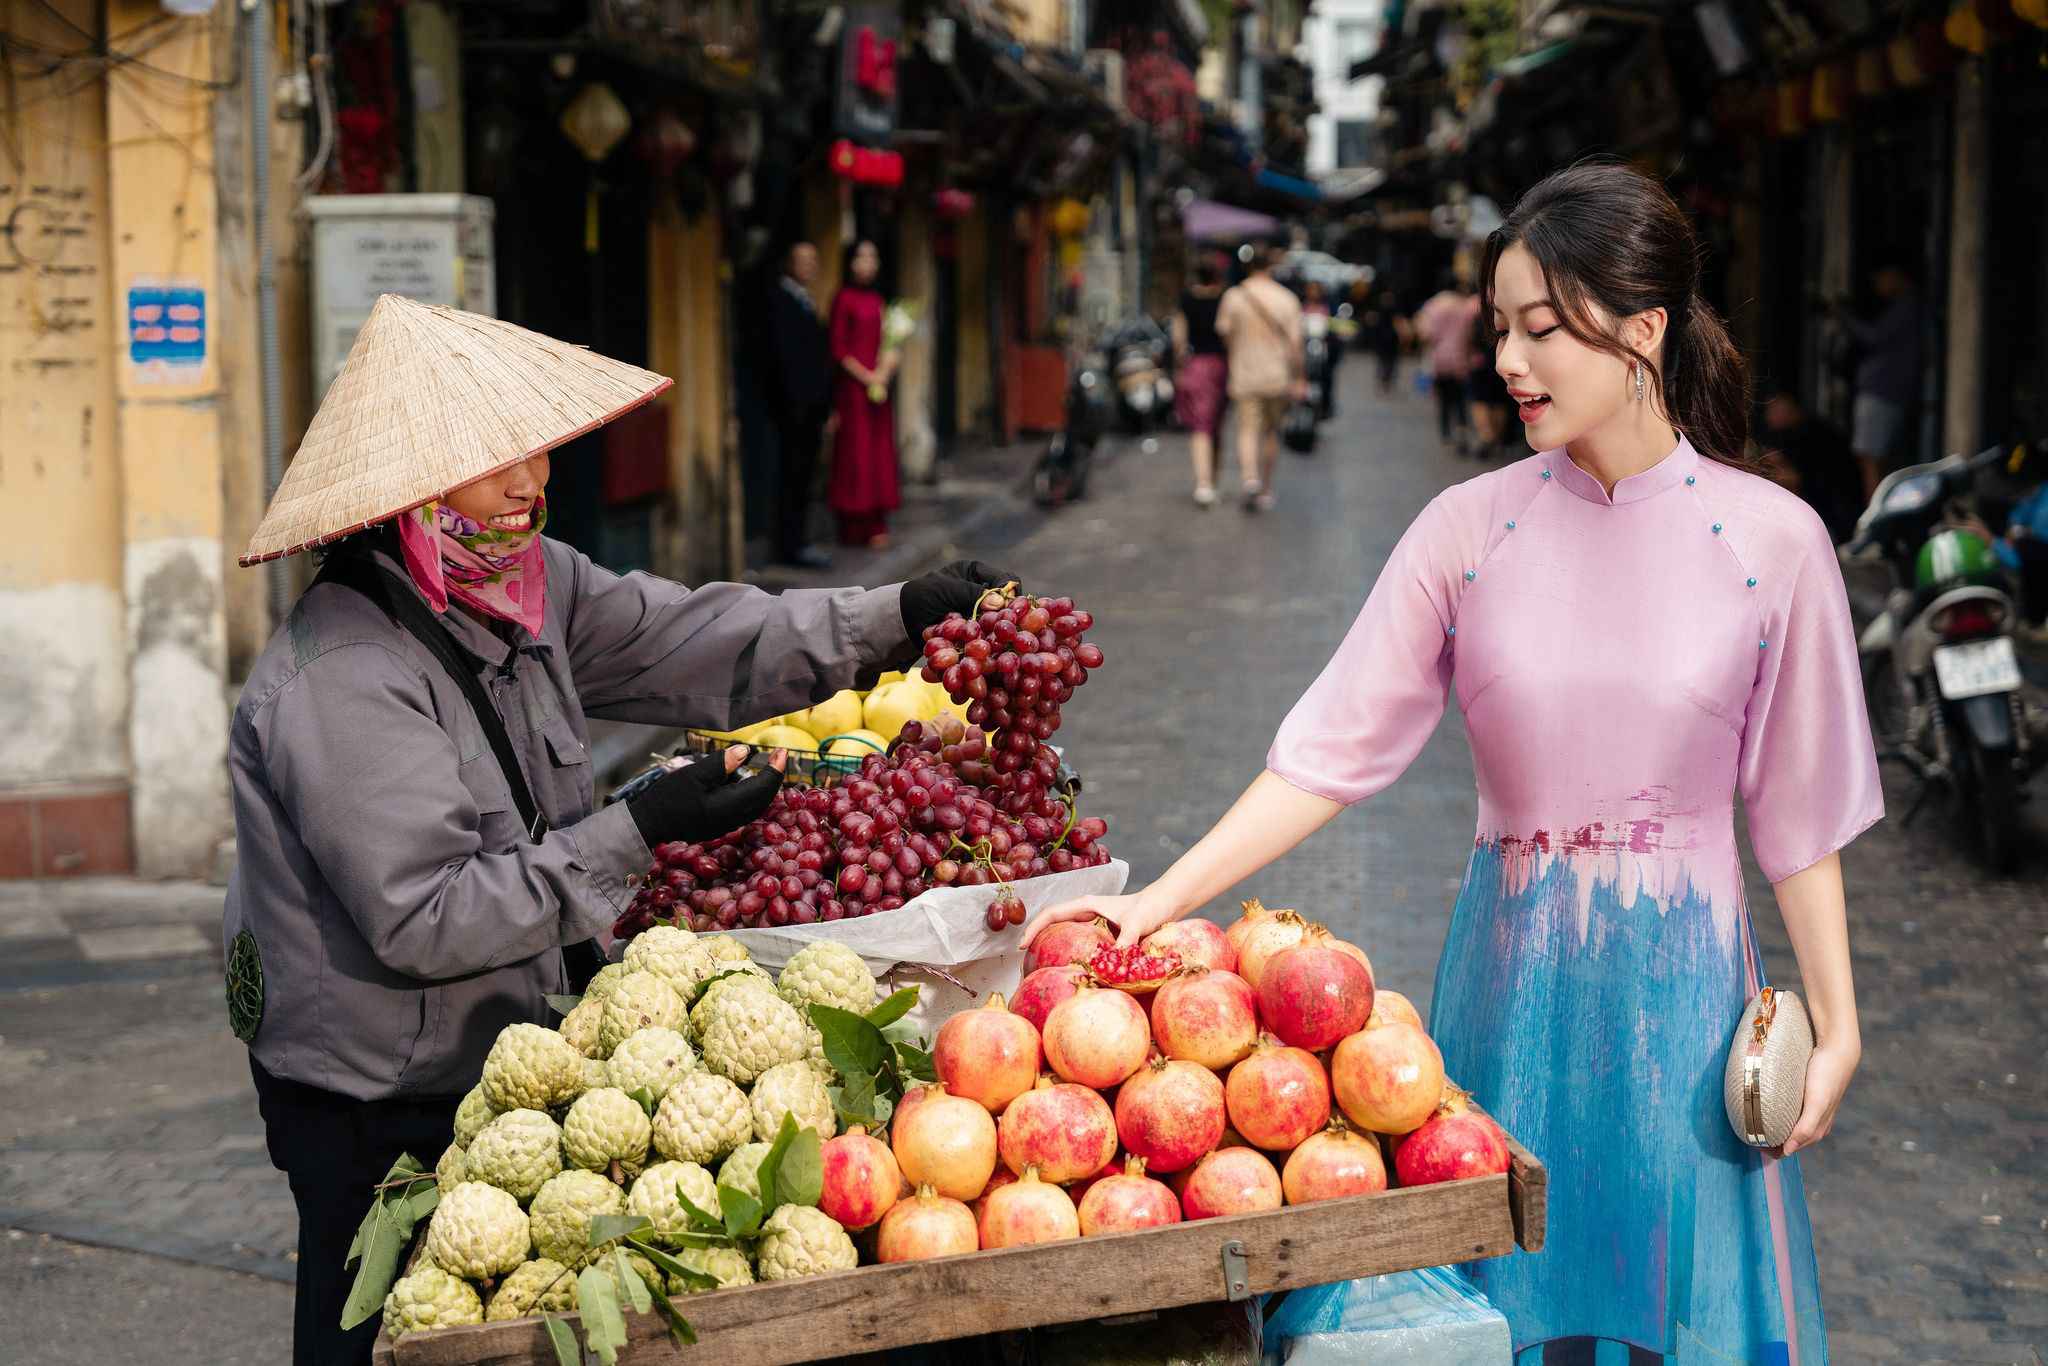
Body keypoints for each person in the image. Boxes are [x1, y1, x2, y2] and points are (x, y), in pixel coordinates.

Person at [1027, 163, 1877, 1362]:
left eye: (1540, 329)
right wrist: (1157, 902)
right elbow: (1329, 752)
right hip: (1505, 986)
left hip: (1688, 1009)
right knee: (1495, 1315)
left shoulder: (1772, 542)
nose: (1509, 364)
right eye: (1497, 331)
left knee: (1671, 1316)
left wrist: (1836, 1025)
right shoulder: (1466, 531)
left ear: (1641, 328)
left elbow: (1798, 807)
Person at [223, 294, 1011, 1366]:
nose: (530, 481)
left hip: (509, 1055)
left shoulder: (522, 588)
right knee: (383, 1335)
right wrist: (638, 827)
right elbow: (430, 916)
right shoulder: (345, 679)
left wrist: (889, 616)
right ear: (403, 491)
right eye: (491, 460)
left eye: (535, 450)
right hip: (382, 1096)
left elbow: (695, 638)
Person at [1215, 242, 1306, 512]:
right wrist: (1300, 377)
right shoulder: (1287, 298)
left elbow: (1224, 332)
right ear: (1271, 266)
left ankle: (1249, 479)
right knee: (1270, 432)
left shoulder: (1234, 297)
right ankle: (1265, 487)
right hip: (1277, 376)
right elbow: (1296, 345)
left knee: (1247, 429)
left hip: (1244, 374)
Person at [764, 242, 836, 569]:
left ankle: (798, 541)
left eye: (813, 260)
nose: (809, 266)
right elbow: (784, 358)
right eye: (802, 260)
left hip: (809, 410)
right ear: (788, 263)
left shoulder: (804, 299)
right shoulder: (780, 300)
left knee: (804, 476)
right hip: (794, 410)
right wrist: (798, 405)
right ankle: (790, 546)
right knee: (792, 477)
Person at [828, 239, 900, 549]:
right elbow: (839, 349)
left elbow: (889, 342)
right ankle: (853, 525)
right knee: (855, 453)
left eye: (872, 257)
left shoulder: (879, 300)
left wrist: (884, 372)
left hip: (878, 390)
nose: (867, 263)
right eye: (861, 257)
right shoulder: (842, 299)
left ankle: (876, 522)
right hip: (854, 390)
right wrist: (867, 376)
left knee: (878, 451)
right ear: (849, 262)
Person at [1831, 264, 1921, 500]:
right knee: (1873, 459)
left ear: (1894, 275)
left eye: (1880, 279)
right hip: (1884, 391)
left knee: (1871, 460)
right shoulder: (1904, 307)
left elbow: (1874, 338)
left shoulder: (1906, 306)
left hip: (1882, 392)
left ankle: (1876, 515)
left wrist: (1844, 316)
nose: (1878, 287)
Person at [1760, 391, 1864, 544]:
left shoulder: (1812, 436)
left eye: (1773, 410)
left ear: (1790, 409)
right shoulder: (1789, 433)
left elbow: (1796, 479)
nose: (1768, 416)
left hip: (1834, 518)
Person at [1173, 256, 1231, 508]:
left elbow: (1178, 338)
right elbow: (1228, 332)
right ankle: (1210, 481)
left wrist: (1179, 365)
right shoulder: (1225, 299)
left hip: (1196, 365)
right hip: (1220, 365)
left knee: (1201, 425)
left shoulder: (1186, 299)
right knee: (1214, 426)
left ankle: (1204, 483)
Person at [1413, 272, 1481, 452]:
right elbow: (1471, 334)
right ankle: (1462, 429)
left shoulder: (1433, 305)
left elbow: (1426, 333)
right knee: (1460, 398)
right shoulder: (1464, 305)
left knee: (1443, 398)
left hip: (1439, 359)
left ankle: (1445, 432)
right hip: (1461, 358)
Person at [1465, 302, 1513, 460]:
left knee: (1481, 402)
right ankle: (1496, 439)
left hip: (1482, 366)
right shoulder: (1505, 317)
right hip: (1498, 363)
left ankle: (1487, 437)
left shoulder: (1480, 316)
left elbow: (1471, 340)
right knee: (1499, 402)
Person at [1358, 287, 1404, 396]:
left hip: (1391, 339)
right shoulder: (1380, 308)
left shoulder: (1393, 309)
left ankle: (1387, 381)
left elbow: (1398, 322)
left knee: (1390, 362)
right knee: (1383, 361)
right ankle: (1383, 381)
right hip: (1383, 339)